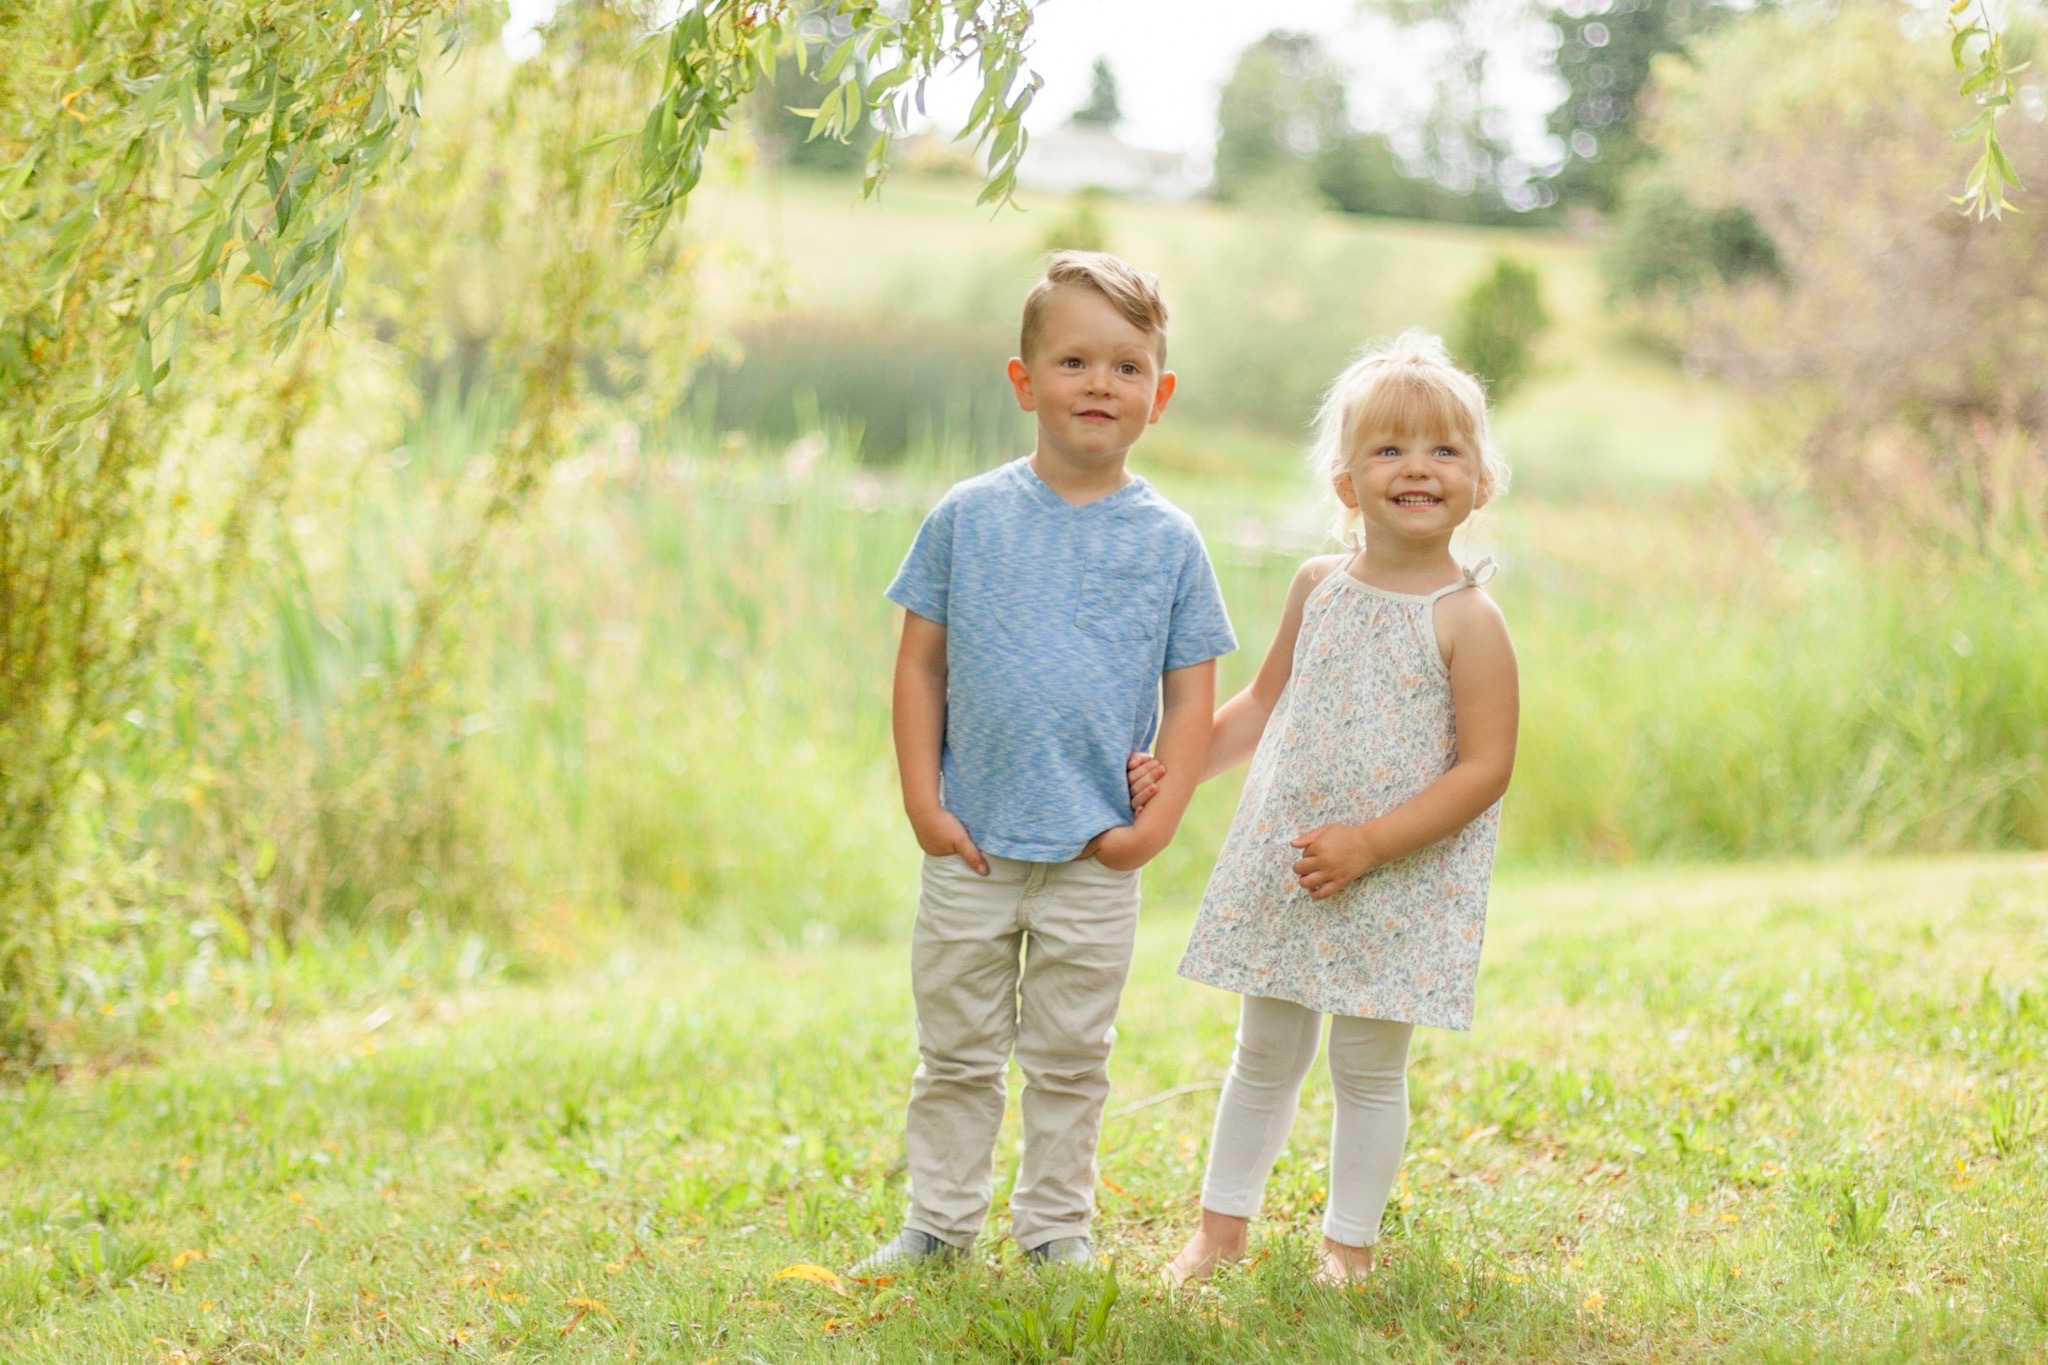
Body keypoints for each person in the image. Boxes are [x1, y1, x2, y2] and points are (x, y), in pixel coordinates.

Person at [851, 252, 1238, 1276]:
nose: (1097, 385)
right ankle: (936, 1226)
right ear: (1024, 383)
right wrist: (922, 804)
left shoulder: (1168, 541)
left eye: (1123, 366)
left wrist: (1153, 826)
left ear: (1156, 395)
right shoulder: (965, 519)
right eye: (1072, 361)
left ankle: (1055, 1232)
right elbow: (919, 666)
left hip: (1093, 851)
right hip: (970, 842)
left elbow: (1191, 692)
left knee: (1070, 1057)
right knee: (956, 1054)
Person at [1132, 329, 1519, 1288]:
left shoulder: (1469, 618)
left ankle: (1348, 1245)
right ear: (1347, 483)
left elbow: (1486, 768)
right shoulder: (1319, 585)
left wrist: (1374, 843)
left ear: (1480, 482)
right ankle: (1219, 1234)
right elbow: (1261, 706)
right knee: (1262, 1052)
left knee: (1368, 1066)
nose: (1417, 468)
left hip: (1396, 873)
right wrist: (1175, 772)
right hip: (1294, 860)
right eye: (1388, 449)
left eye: (1443, 449)